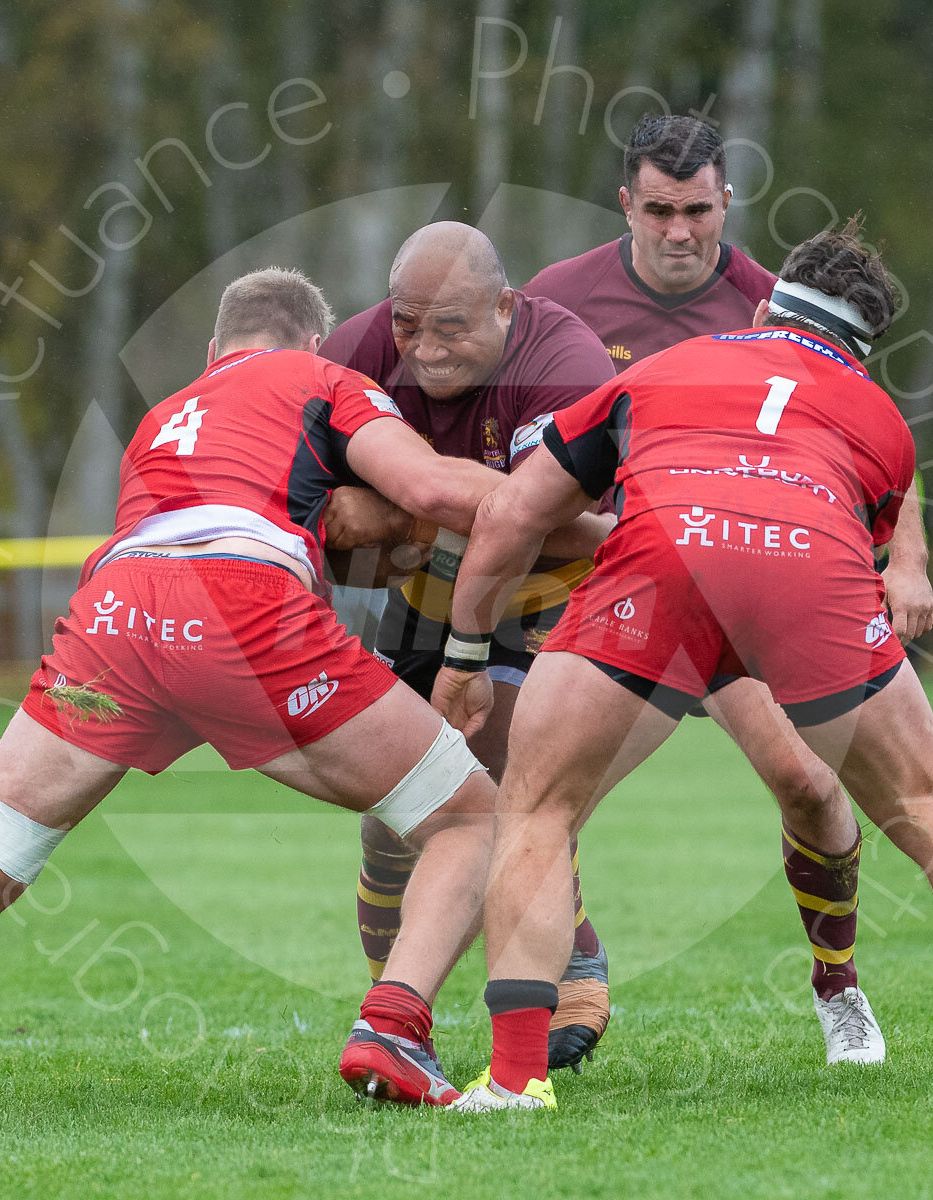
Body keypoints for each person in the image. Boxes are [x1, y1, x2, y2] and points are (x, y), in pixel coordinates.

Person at [0, 267, 507, 1122]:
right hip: (238, 611)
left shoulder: (163, 416)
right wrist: (581, 504)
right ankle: (394, 1026)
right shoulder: (326, 379)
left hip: (115, 614)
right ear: (308, 344)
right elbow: (435, 490)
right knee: (468, 816)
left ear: (215, 350)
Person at [431, 221, 933, 1110]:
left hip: (664, 562)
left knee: (538, 810)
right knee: (925, 808)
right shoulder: (882, 422)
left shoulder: (661, 368)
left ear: (762, 306)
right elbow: (835, 533)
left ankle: (517, 1080)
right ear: (863, 351)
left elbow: (514, 514)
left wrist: (464, 651)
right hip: (804, 570)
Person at [526, 114, 933, 1063]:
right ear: (626, 203)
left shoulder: (772, 301)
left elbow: (873, 432)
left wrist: (906, 561)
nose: (680, 232)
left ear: (726, 205)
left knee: (807, 783)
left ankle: (837, 983)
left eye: (699, 212)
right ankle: (559, 989)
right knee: (540, 799)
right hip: (621, 589)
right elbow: (528, 454)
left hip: (750, 589)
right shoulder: (557, 301)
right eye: (661, 211)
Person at [318, 222, 620, 1071]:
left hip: (551, 584)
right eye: (409, 323)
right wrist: (398, 528)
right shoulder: (361, 349)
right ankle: (400, 1017)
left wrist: (406, 514)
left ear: (505, 305)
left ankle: (572, 948)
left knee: (505, 781)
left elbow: (558, 526)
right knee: (396, 817)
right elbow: (322, 512)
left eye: (451, 326)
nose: (423, 348)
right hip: (428, 587)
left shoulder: (564, 358)